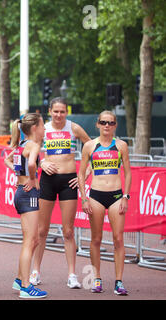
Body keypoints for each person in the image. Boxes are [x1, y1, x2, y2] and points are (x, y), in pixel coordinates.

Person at [31, 97, 91, 288]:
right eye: (55, 111)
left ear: (67, 112)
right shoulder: (44, 129)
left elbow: (92, 149)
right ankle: (35, 272)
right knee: (41, 230)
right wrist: (42, 162)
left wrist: (85, 174)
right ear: (49, 111)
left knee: (68, 231)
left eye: (62, 111)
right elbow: (30, 150)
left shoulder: (74, 128)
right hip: (47, 181)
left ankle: (72, 275)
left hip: (69, 182)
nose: (58, 115)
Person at [78, 110, 131, 295]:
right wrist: (84, 198)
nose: (107, 125)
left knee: (118, 239)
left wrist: (126, 196)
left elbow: (128, 172)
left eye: (110, 122)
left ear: (115, 125)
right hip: (96, 196)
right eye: (103, 122)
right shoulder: (90, 146)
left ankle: (119, 282)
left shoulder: (122, 145)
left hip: (116, 196)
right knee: (96, 239)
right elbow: (81, 173)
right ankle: (97, 279)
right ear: (97, 124)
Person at [4, 113, 48, 299]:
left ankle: (19, 278)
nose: (45, 129)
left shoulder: (21, 145)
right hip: (28, 193)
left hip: (21, 192)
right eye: (43, 126)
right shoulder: (33, 145)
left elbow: (8, 160)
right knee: (30, 241)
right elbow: (31, 163)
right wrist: (33, 178)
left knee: (33, 239)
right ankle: (25, 286)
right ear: (35, 128)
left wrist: (20, 177)